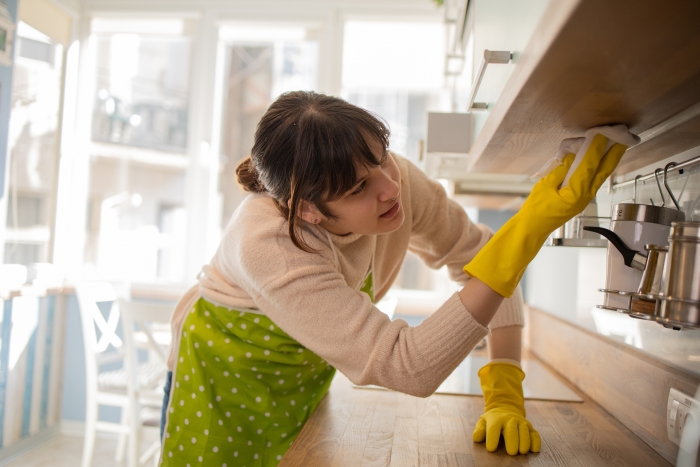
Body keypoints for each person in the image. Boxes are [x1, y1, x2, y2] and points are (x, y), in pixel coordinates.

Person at [159, 90, 634, 465]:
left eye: (381, 157)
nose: (390, 187)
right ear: (309, 211)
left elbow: (484, 256)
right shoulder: (269, 245)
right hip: (227, 377)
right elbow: (406, 366)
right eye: (359, 187)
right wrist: (526, 231)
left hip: (302, 377)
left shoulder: (396, 182)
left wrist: (505, 391)